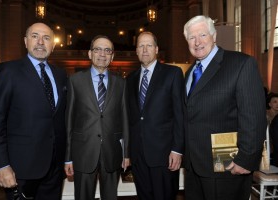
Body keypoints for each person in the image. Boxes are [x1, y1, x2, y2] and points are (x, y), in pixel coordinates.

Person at [183, 15, 266, 200]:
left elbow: (253, 117)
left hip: (227, 163)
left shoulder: (241, 64)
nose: (197, 42)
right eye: (191, 37)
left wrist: (245, 159)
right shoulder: (190, 73)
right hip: (193, 166)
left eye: (203, 35)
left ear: (214, 35)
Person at [0, 22, 67, 200]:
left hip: (54, 169)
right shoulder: (8, 71)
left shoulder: (60, 75)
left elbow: (60, 119)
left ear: (53, 45)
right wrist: (1, 165)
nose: (40, 42)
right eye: (34, 36)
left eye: (46, 38)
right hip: (20, 169)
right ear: (25, 41)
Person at [64, 35, 130, 200]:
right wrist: (68, 157)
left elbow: (125, 120)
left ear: (112, 56)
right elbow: (69, 121)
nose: (102, 54)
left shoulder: (121, 83)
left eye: (107, 50)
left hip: (112, 152)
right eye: (98, 49)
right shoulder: (75, 81)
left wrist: (126, 153)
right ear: (89, 53)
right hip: (83, 152)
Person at [126, 31, 184, 200]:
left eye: (149, 45)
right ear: (136, 51)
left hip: (165, 154)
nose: (145, 49)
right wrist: (127, 152)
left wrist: (177, 149)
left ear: (157, 49)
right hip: (138, 155)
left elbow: (179, 113)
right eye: (141, 46)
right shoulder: (130, 79)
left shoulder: (173, 74)